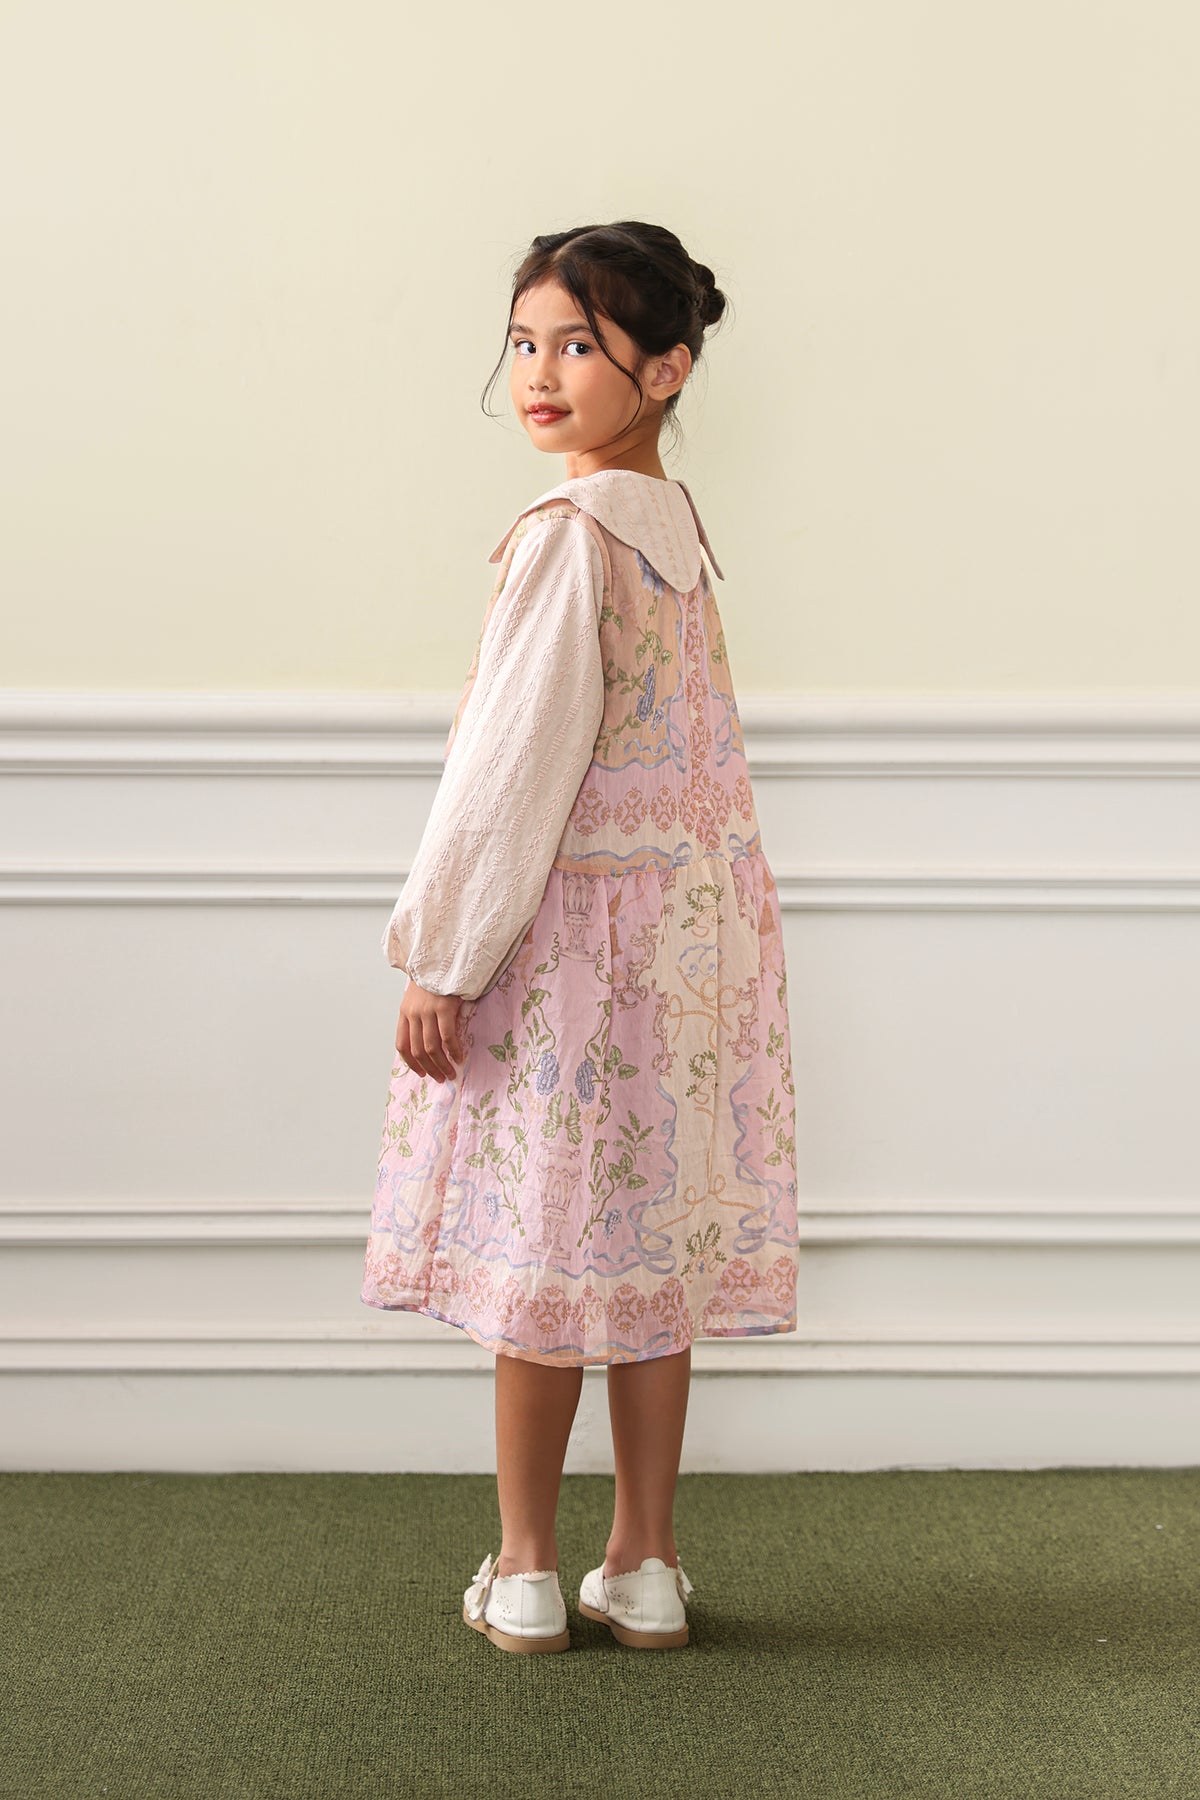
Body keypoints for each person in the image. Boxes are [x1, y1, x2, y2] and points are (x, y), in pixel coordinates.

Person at [361, 221, 800, 1654]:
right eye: (525, 342)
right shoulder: (672, 534)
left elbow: (512, 770)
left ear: (665, 369)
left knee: (546, 1257)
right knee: (649, 1254)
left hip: (571, 962)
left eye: (579, 346)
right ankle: (648, 1563)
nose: (539, 373)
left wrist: (445, 956)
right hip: (685, 958)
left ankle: (531, 1567)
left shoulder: (568, 539)